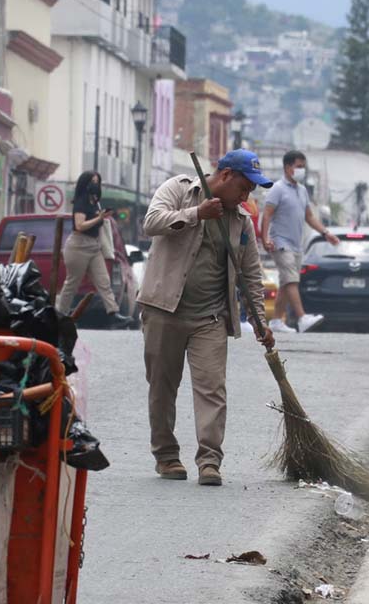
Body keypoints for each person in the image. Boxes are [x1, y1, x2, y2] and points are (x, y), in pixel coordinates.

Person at [139, 149, 275, 487]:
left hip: (210, 317)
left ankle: (209, 460)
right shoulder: (178, 189)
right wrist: (196, 213)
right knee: (162, 387)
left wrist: (260, 320)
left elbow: (251, 275)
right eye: (244, 187)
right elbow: (151, 223)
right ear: (226, 176)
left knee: (213, 389)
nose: (247, 196)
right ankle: (167, 456)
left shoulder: (241, 222)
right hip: (163, 309)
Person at [260, 150, 338, 334]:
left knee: (287, 282)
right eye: (299, 167)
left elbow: (309, 216)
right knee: (291, 279)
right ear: (288, 167)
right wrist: (265, 238)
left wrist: (325, 233)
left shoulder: (302, 191)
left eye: (304, 167)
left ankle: (277, 320)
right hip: (281, 242)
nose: (302, 170)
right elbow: (267, 214)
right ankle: (302, 317)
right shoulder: (277, 188)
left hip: (296, 244)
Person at [55, 171, 132, 325]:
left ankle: (113, 312)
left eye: (97, 181)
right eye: (92, 181)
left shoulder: (95, 202)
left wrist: (102, 215)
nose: (95, 185)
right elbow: (79, 225)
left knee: (104, 282)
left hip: (93, 245)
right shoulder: (81, 202)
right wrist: (99, 218)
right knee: (72, 283)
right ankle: (59, 314)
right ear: (85, 183)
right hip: (78, 245)